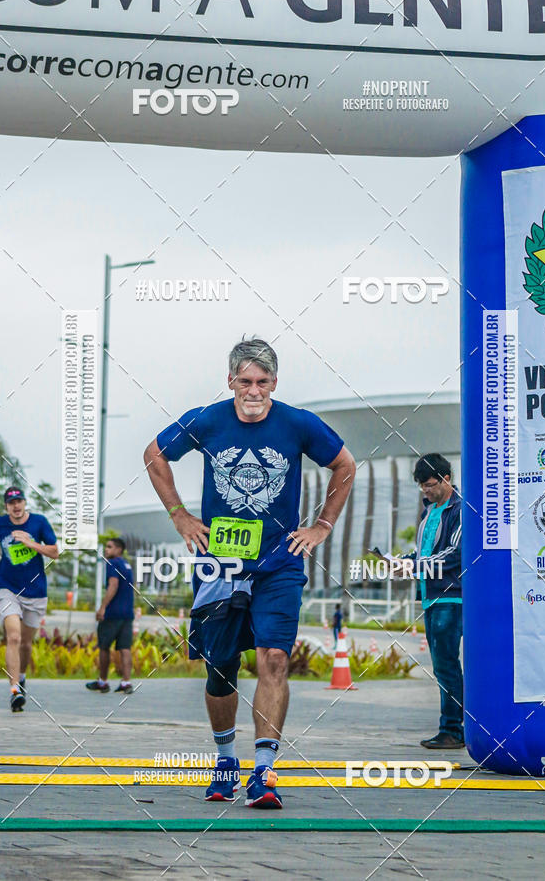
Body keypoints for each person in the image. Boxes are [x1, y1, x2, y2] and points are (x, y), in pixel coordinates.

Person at [144, 337, 355, 808]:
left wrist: (322, 525)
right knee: (221, 669)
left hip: (279, 564)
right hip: (219, 564)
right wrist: (179, 514)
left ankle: (263, 772)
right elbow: (154, 455)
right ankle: (225, 762)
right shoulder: (207, 419)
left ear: (274, 384)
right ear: (231, 382)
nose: (253, 390)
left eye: (262, 382)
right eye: (245, 381)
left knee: (274, 659)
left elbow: (344, 465)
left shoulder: (298, 424)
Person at [403, 454, 463, 749]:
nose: (426, 491)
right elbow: (424, 553)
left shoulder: (460, 509)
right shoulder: (430, 512)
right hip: (430, 595)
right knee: (442, 666)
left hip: (451, 596)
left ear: (446, 478)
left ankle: (453, 729)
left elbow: (455, 554)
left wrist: (416, 566)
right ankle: (452, 727)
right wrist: (403, 562)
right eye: (422, 487)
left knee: (448, 665)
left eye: (430, 485)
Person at [0, 486, 59, 712]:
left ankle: (20, 677)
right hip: (6, 587)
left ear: (24, 502)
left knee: (26, 644)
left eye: (19, 501)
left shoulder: (39, 522)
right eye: (11, 503)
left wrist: (30, 543)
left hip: (35, 591)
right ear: (6, 506)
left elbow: (54, 552)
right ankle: (14, 691)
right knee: (13, 637)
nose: (16, 506)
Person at [86, 538, 135, 695]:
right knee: (125, 648)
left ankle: (103, 682)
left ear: (119, 550)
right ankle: (126, 682)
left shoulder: (112, 564)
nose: (106, 550)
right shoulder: (127, 565)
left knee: (104, 647)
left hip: (113, 613)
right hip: (127, 613)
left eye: (109, 547)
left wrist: (102, 608)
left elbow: (113, 586)